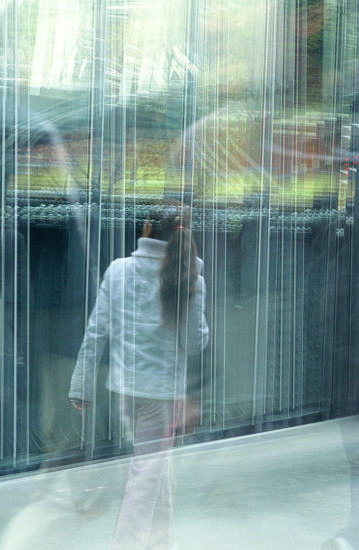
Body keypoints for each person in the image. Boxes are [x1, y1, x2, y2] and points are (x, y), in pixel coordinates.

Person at [67, 203, 209, 550]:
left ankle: (161, 543)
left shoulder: (117, 270)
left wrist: (80, 385)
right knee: (146, 476)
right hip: (161, 395)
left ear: (147, 228)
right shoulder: (190, 279)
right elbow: (194, 345)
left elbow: (95, 332)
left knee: (156, 474)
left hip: (125, 390)